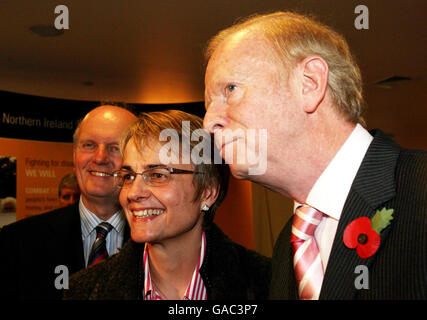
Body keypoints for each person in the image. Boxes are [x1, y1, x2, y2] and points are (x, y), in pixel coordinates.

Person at [203, 12, 426, 299]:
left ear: (309, 83)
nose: (209, 122)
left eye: (230, 89)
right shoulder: (288, 245)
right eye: (209, 104)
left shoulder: (420, 191)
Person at [64, 110, 271, 300]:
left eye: (157, 175)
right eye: (128, 176)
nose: (134, 193)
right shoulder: (84, 291)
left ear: (208, 192)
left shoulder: (269, 283)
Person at [0, 105, 137, 299]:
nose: (100, 158)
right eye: (89, 145)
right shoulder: (18, 242)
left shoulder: (158, 244)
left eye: (115, 148)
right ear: (74, 156)